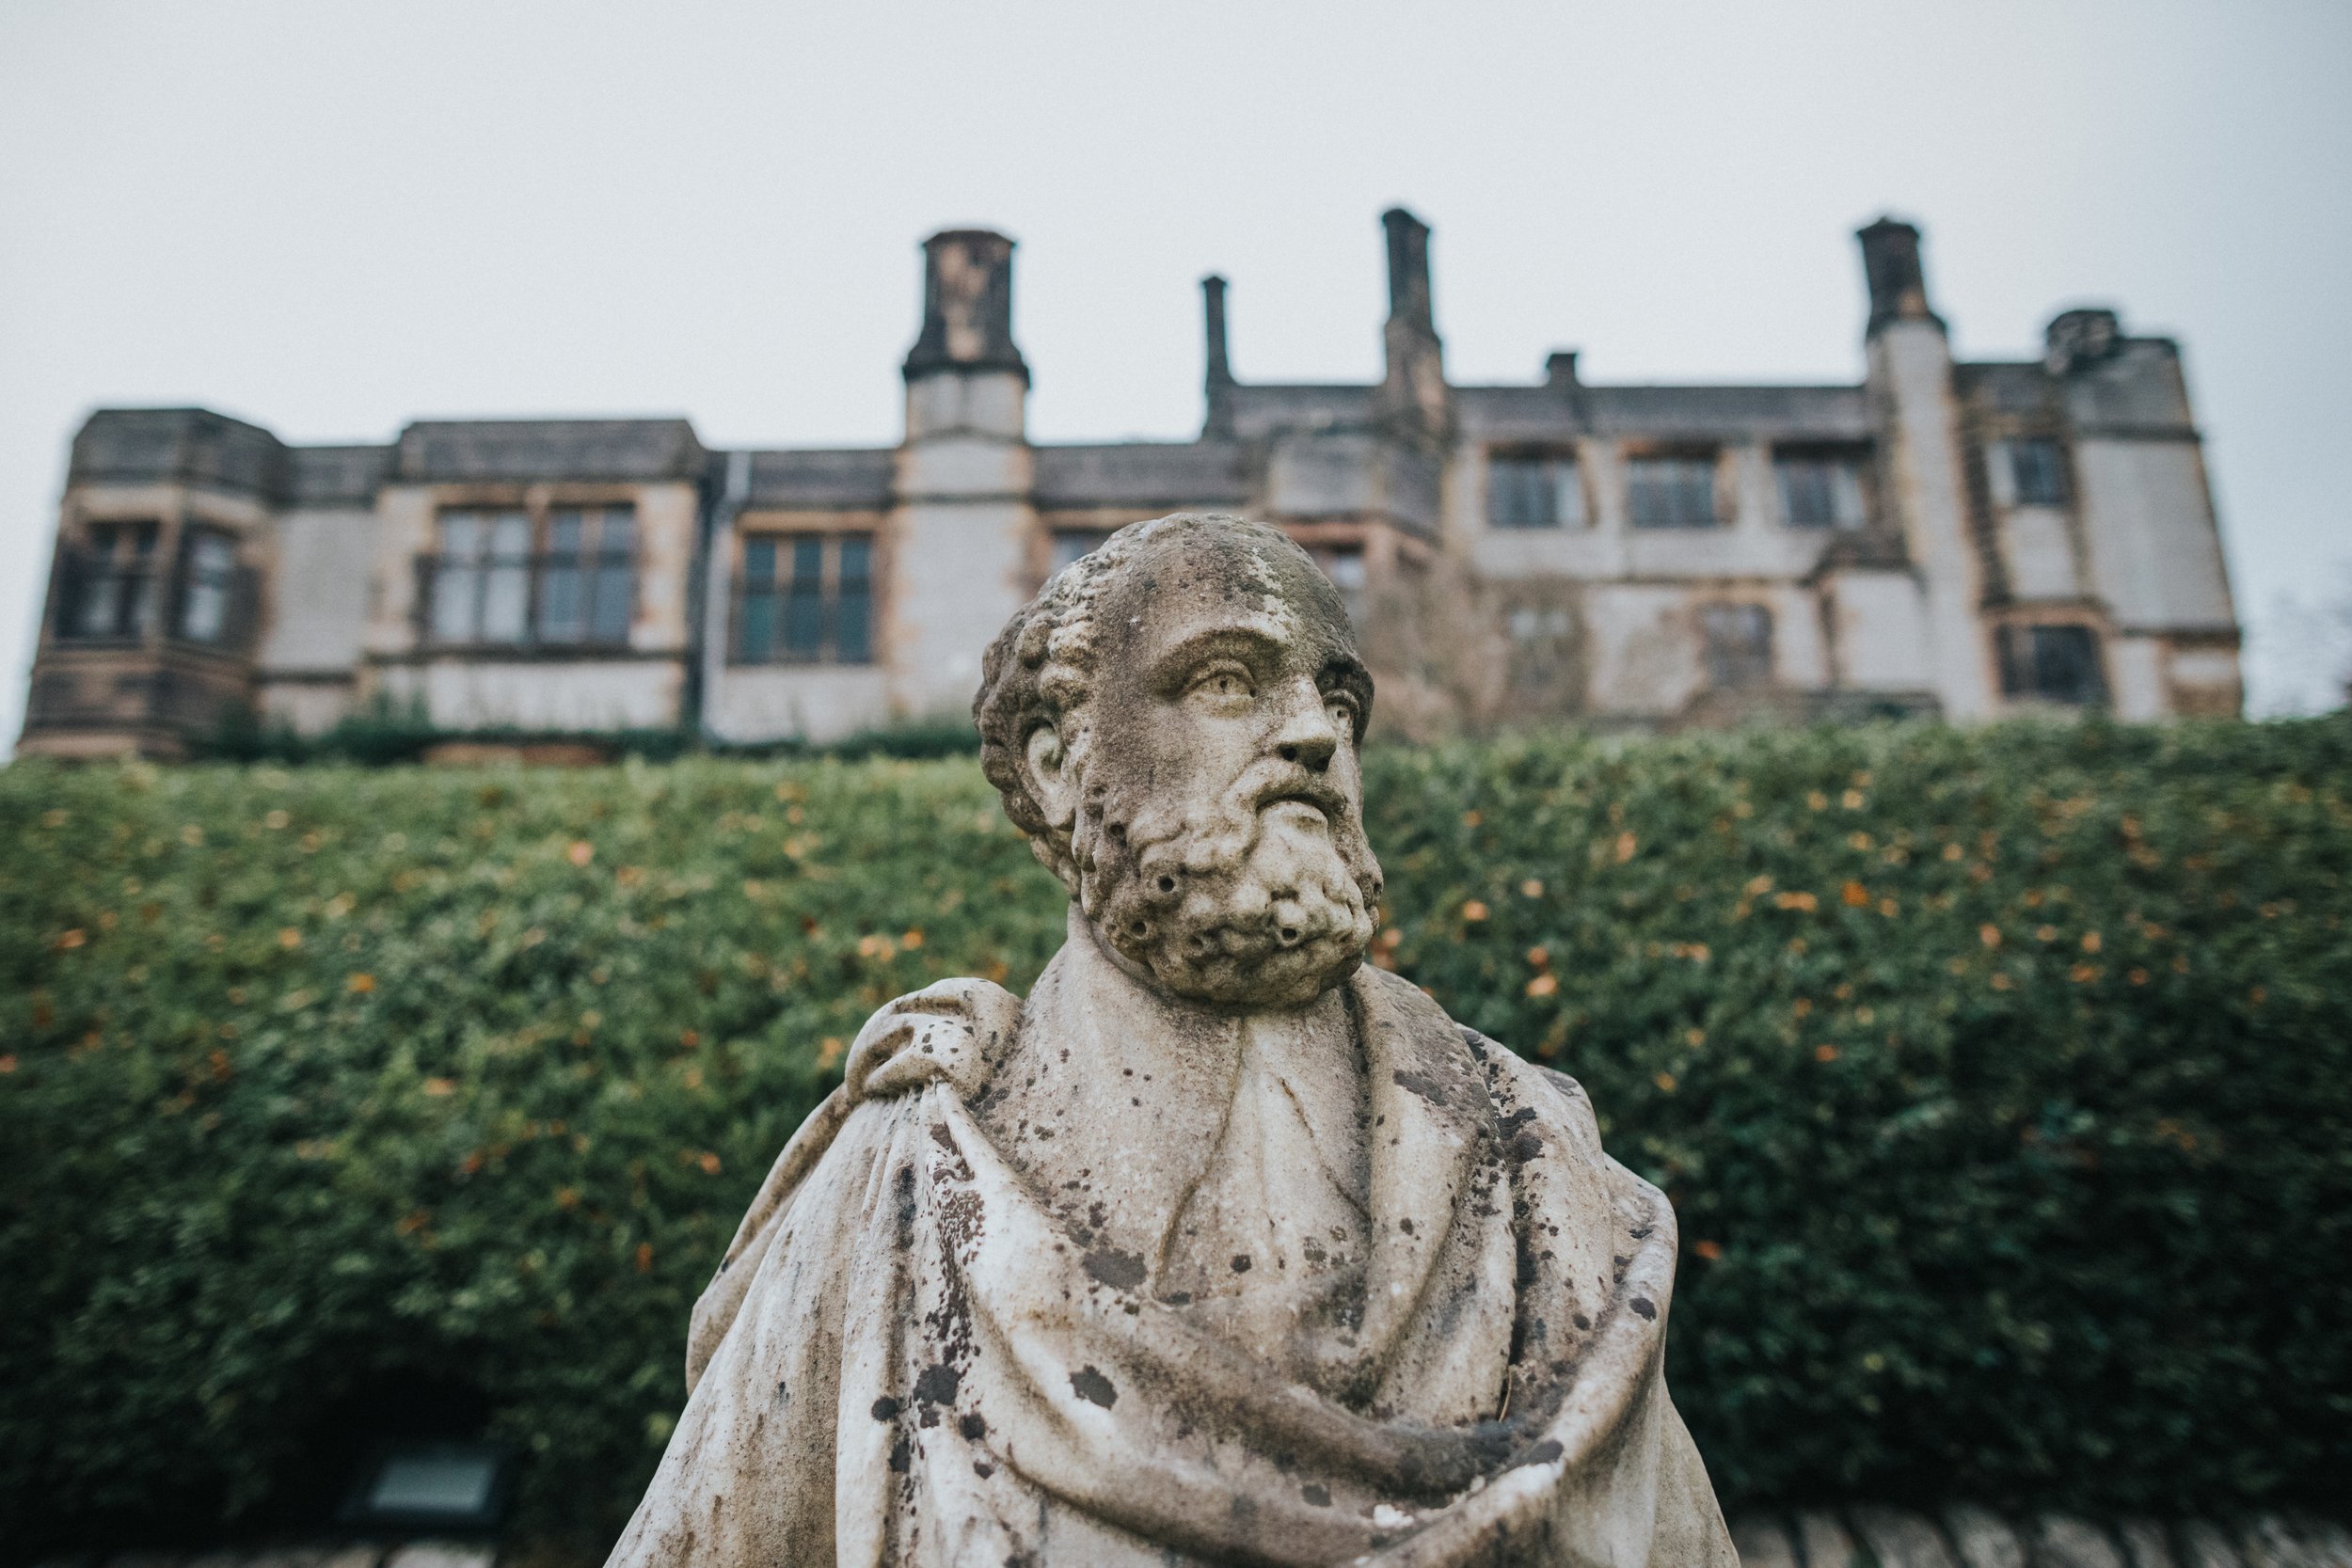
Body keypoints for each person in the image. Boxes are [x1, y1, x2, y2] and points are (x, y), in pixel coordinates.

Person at [607, 514, 1735, 1567]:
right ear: (1059, 762)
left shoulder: (1537, 1161)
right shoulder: (906, 1180)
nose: (1310, 735)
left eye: (1340, 704)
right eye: (1227, 681)